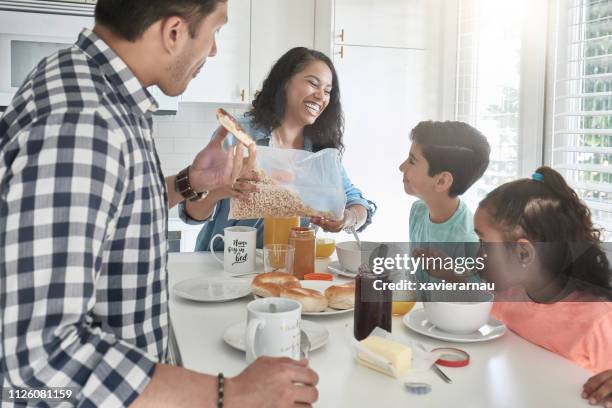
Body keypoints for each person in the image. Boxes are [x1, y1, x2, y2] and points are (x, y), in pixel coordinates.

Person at [0, 1, 318, 407]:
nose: (215, 50)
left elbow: (115, 213)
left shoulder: (92, 87)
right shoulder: (86, 121)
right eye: (215, 31)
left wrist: (191, 182)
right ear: (173, 33)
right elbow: (39, 357)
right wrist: (229, 393)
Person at [179, 47, 377, 251]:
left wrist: (348, 218)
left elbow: (358, 203)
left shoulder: (320, 150)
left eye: (327, 91)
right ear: (285, 83)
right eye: (312, 83)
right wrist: (218, 191)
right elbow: (192, 214)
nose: (321, 96)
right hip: (224, 262)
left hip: (285, 268)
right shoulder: (240, 135)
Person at [474, 166, 612, 405]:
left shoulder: (598, 322)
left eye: (483, 242)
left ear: (524, 254)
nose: (477, 254)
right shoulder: (508, 297)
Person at [398, 121, 490, 285]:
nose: (401, 167)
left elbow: (479, 299)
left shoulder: (468, 239)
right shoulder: (418, 211)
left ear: (441, 181)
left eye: (412, 161)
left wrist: (450, 275)